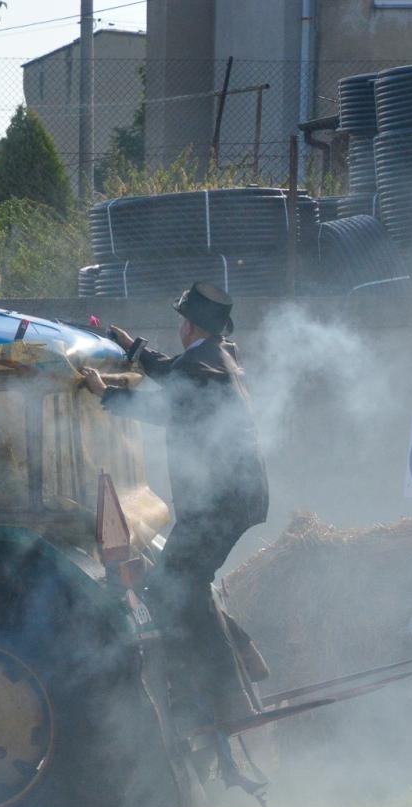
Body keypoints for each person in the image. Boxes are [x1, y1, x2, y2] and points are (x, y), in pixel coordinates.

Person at [81, 282, 269, 737]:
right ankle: (238, 673)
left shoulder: (199, 365)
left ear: (188, 326)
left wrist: (104, 392)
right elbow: (174, 372)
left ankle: (221, 692)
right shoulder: (219, 356)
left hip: (218, 506)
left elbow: (165, 407)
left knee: (168, 592)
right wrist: (134, 348)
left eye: (181, 321)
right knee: (182, 586)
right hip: (232, 501)